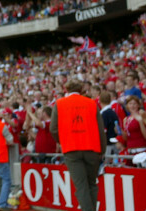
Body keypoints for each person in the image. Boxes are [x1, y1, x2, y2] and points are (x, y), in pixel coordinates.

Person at [50, 80, 106, 211]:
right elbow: (100, 129)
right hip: (92, 148)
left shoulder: (59, 104)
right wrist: (102, 150)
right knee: (92, 184)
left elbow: (53, 129)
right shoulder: (92, 103)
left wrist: (63, 141)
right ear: (82, 90)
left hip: (71, 149)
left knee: (81, 186)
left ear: (66, 90)